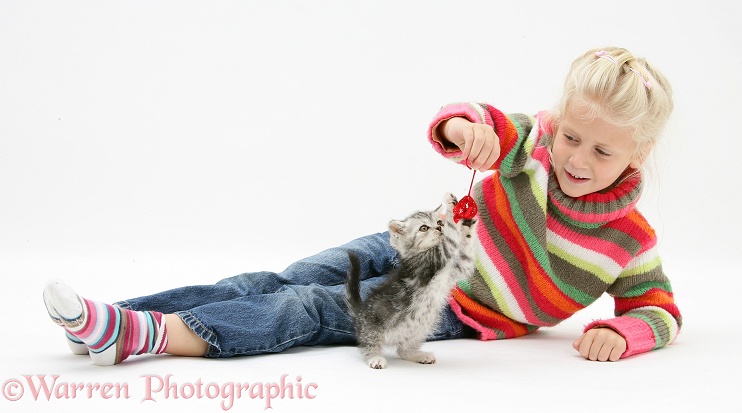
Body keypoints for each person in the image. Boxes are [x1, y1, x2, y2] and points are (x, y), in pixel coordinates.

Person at [42, 46, 682, 365]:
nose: (575, 158)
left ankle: (139, 339)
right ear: (559, 122)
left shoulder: (630, 239)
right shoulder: (536, 146)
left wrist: (622, 333)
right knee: (287, 277)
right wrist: (467, 132)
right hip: (425, 241)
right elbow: (476, 120)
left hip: (457, 305)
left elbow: (657, 308)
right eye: (572, 136)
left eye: (601, 151)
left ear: (640, 153)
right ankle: (118, 318)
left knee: (312, 309)